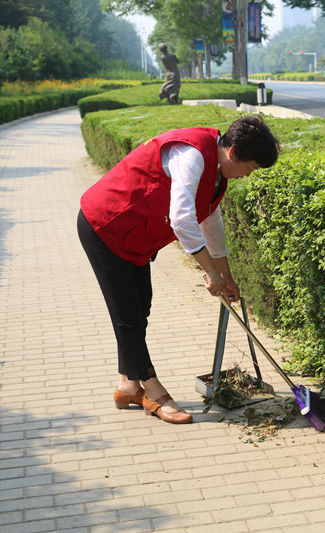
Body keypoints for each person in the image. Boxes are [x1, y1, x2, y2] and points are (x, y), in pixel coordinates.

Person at [77, 116, 280, 424]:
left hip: (133, 238)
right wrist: (210, 273)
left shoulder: (217, 172)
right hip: (105, 225)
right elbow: (183, 220)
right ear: (234, 152)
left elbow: (211, 222)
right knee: (127, 316)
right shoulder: (192, 156)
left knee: (139, 307)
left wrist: (226, 275)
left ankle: (128, 386)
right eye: (249, 168)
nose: (246, 175)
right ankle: (154, 392)